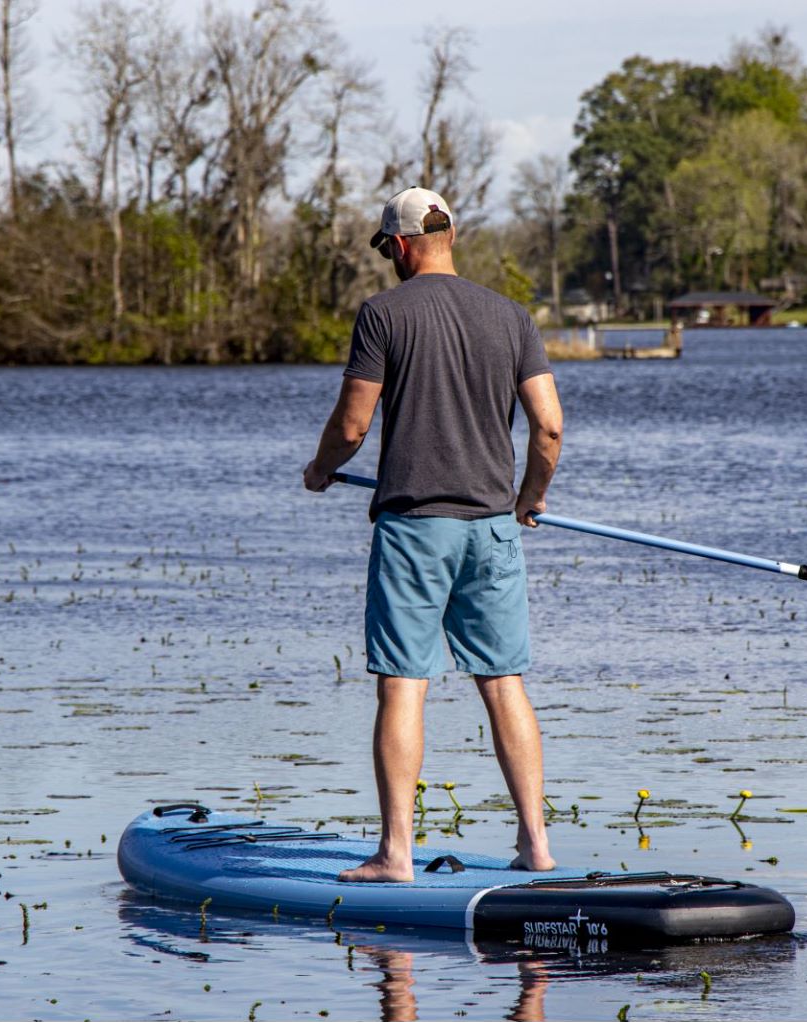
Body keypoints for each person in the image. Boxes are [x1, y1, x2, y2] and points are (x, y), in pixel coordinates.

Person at [303, 186, 564, 883]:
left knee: (403, 686)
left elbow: (353, 426)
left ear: (400, 245)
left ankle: (396, 855)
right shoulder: (512, 317)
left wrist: (321, 469)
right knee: (503, 681)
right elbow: (549, 426)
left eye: (387, 248)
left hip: (415, 528)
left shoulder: (382, 314)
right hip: (492, 529)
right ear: (450, 236)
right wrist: (529, 499)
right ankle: (536, 846)